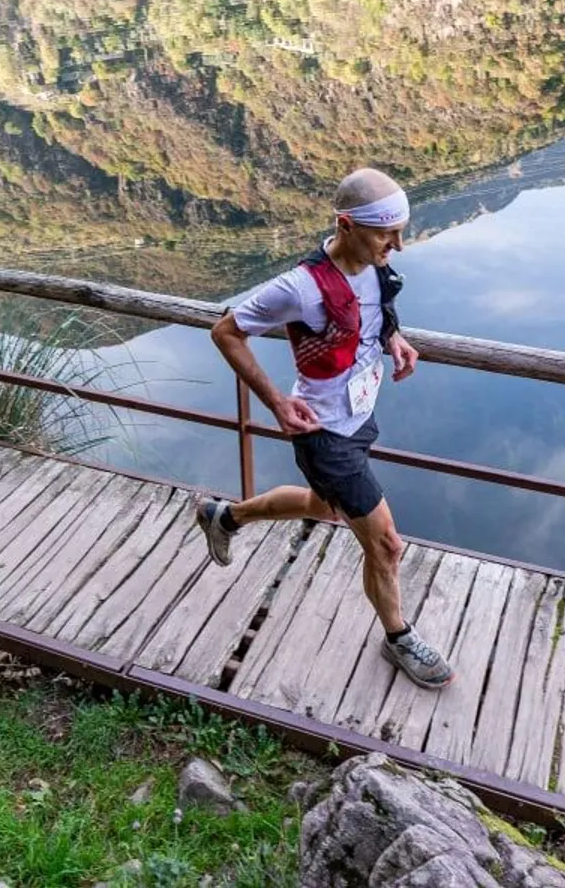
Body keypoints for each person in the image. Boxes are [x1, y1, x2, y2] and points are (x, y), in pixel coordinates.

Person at [194, 168, 454, 689]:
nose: (398, 245)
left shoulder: (374, 266)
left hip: (359, 420)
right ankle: (398, 638)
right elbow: (226, 331)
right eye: (387, 233)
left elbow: (375, 310)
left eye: (401, 231)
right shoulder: (301, 287)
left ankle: (225, 517)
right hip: (325, 434)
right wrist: (276, 403)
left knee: (321, 507)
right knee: (385, 545)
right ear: (346, 225)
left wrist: (394, 339)